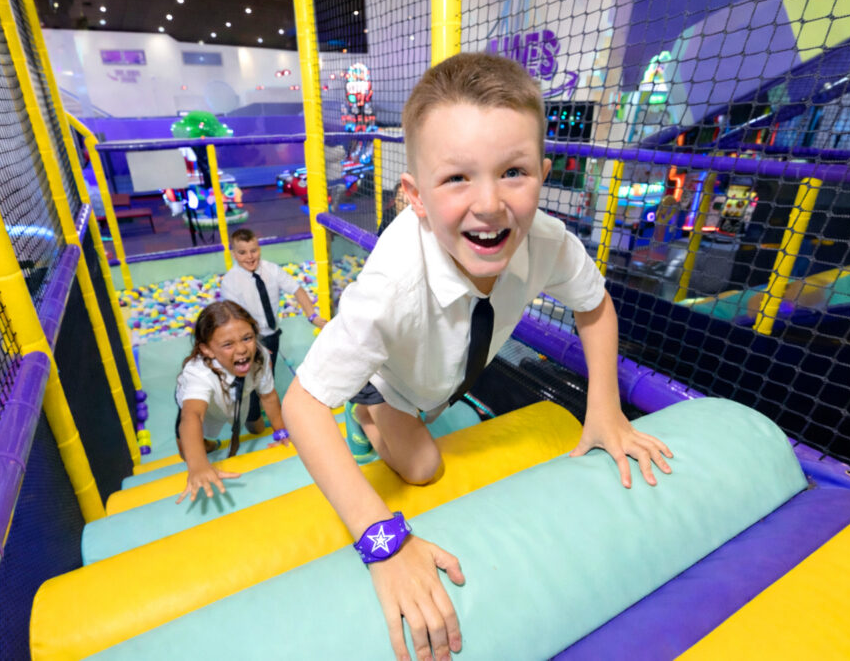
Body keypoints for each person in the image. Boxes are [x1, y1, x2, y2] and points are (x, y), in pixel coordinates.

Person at [282, 52, 674, 661]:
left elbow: (595, 307)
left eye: (513, 171)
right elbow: (301, 404)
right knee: (423, 469)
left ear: (544, 174)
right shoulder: (391, 287)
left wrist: (605, 411)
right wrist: (382, 542)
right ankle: (368, 414)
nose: (489, 204)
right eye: (457, 178)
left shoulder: (546, 240)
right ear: (413, 195)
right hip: (390, 379)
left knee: (438, 408)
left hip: (443, 374)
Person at [174, 301, 289, 504]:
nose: (242, 349)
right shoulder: (198, 373)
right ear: (207, 350)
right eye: (228, 344)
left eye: (247, 338)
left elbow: (268, 396)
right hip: (206, 405)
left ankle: (252, 422)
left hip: (243, 393)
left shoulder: (259, 356)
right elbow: (192, 415)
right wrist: (199, 465)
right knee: (190, 447)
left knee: (256, 427)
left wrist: (281, 432)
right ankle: (209, 444)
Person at [220, 228, 327, 425]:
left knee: (268, 376)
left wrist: (312, 316)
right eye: (242, 253)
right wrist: (255, 346)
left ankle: (264, 403)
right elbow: (235, 319)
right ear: (233, 253)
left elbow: (297, 290)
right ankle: (251, 415)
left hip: (272, 335)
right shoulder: (230, 282)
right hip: (249, 340)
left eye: (254, 250)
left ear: (259, 248)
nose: (250, 257)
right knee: (249, 382)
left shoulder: (271, 270)